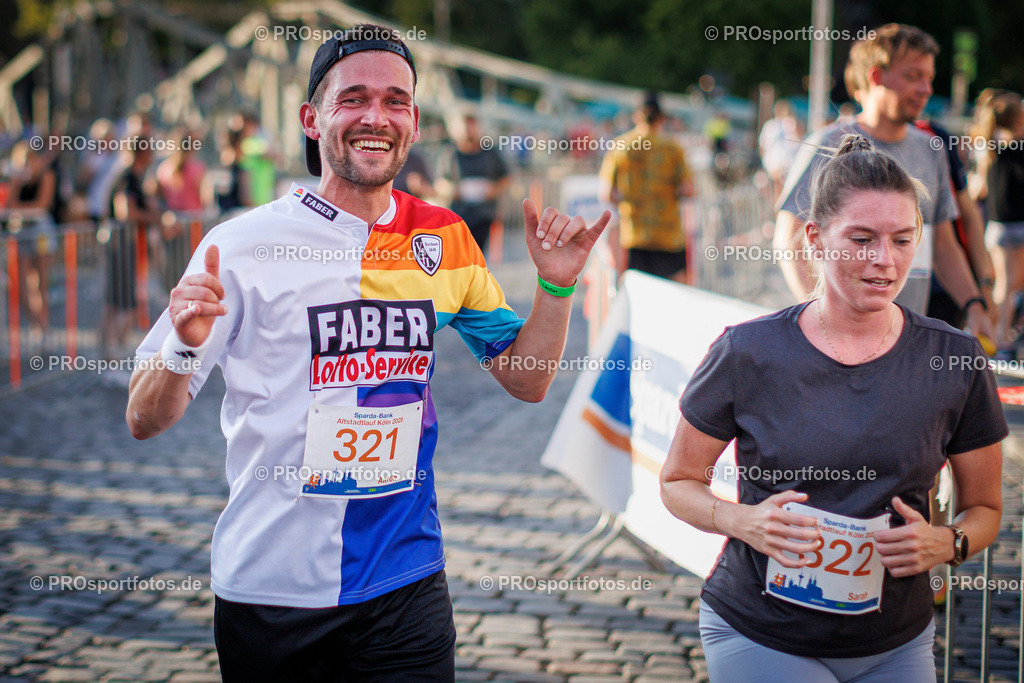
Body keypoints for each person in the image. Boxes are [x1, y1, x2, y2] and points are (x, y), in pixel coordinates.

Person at [126, 24, 608, 681]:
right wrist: (184, 345)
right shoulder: (240, 245)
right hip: (271, 590)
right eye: (353, 98)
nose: (376, 117)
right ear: (312, 118)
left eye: (397, 101)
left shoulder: (443, 236)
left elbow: (527, 381)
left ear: (413, 121)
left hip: (404, 583)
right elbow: (144, 418)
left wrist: (556, 284)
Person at [660, 134, 1006, 681]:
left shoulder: (954, 360)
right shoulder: (748, 352)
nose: (884, 261)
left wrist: (948, 542)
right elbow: (677, 481)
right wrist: (743, 521)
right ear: (816, 240)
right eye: (862, 239)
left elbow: (985, 509)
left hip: (897, 639)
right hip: (761, 629)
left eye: (902, 240)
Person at [774, 23, 994, 342]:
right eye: (913, 76)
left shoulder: (930, 149)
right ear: (877, 76)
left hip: (905, 339)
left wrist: (975, 305)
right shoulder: (829, 143)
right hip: (841, 338)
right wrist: (819, 319)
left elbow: (943, 244)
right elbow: (789, 239)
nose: (925, 89)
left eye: (929, 78)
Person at [599, 92, 694, 283]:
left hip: (634, 234)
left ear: (636, 116)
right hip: (669, 234)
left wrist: (630, 204)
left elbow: (606, 194)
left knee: (638, 295)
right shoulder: (673, 147)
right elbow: (688, 189)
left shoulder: (620, 146)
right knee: (675, 296)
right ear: (661, 117)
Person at [975, 92, 1024, 344]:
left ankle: (1000, 338)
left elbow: (980, 190)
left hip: (996, 225)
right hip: (1019, 223)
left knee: (1003, 285)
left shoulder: (989, 151)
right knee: (1014, 285)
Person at [6, 141, 57, 342]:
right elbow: (10, 205)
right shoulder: (17, 179)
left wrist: (17, 209)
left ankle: (44, 329)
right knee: (18, 285)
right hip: (21, 232)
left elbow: (41, 205)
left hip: (40, 232)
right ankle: (39, 324)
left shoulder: (46, 176)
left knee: (40, 284)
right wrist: (16, 184)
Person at [438, 115, 509, 251]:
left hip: (484, 215)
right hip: (457, 216)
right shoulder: (450, 153)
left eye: (472, 125)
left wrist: (494, 190)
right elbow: (440, 182)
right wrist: (453, 190)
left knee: (477, 256)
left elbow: (505, 178)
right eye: (465, 126)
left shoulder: (490, 152)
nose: (469, 130)